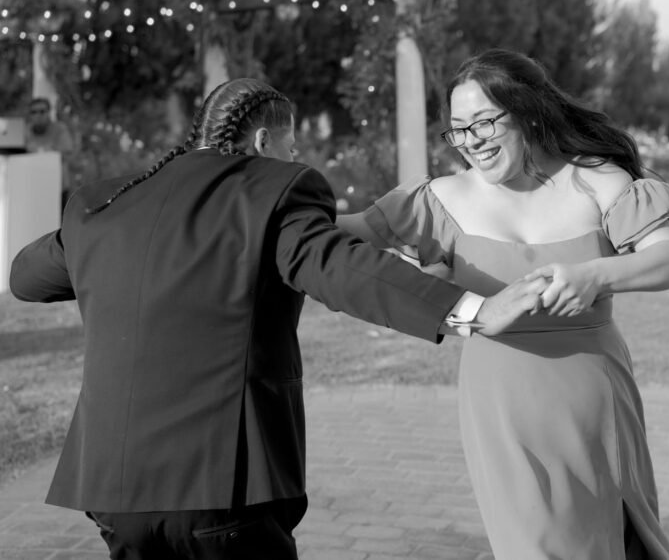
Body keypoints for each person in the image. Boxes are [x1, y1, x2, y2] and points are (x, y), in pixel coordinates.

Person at [9, 78, 546, 560]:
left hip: (115, 496)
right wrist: (475, 311)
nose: (294, 158)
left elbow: (26, 278)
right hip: (223, 495)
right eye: (292, 147)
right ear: (265, 144)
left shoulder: (104, 204)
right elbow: (342, 270)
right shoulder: (275, 191)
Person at [336, 49, 669, 559]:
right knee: (534, 546)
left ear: (527, 110)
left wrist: (595, 273)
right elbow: (344, 234)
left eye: (483, 122)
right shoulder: (435, 199)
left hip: (595, 396)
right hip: (500, 402)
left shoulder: (595, 179)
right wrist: (272, 189)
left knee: (619, 541)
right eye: (458, 129)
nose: (471, 142)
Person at [25, 96, 77, 203]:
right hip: (31, 186)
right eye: (33, 112)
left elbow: (67, 154)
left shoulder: (59, 129)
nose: (38, 115)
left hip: (57, 187)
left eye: (42, 111)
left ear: (49, 112)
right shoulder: (24, 132)